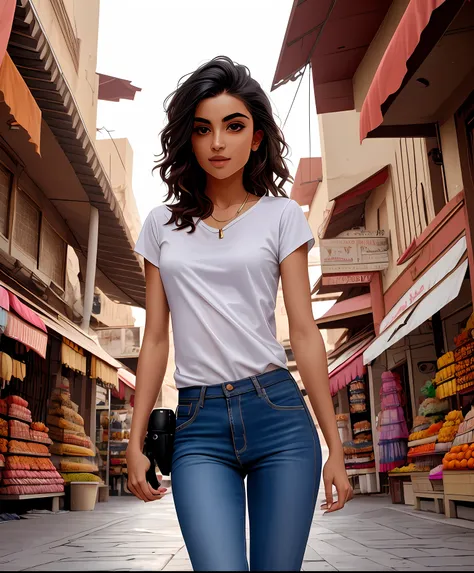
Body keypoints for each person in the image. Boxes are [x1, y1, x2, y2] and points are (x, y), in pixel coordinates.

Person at [126, 56, 353, 572]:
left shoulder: (281, 216)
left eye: (234, 126)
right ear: (189, 138)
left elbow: (303, 331)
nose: (217, 143)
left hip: (277, 414)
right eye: (203, 129)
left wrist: (333, 446)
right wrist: (134, 442)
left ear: (256, 137)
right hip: (198, 425)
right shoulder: (161, 227)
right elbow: (156, 341)